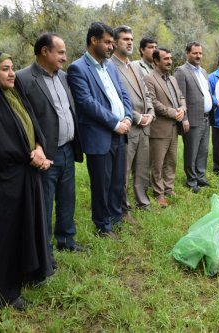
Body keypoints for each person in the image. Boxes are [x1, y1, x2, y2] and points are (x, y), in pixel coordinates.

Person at [0, 50, 53, 320]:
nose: (12, 73)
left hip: (23, 177)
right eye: (4, 69)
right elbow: (0, 147)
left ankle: (24, 275)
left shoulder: (13, 96)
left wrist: (38, 145)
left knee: (24, 229)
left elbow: (32, 124)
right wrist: (32, 158)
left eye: (13, 67)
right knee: (1, 239)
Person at [17, 33, 85, 257]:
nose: (65, 57)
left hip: (67, 149)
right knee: (44, 204)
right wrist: (35, 149)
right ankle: (44, 252)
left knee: (67, 198)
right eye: (61, 52)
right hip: (45, 154)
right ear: (44, 51)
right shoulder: (23, 79)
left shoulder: (63, 77)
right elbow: (22, 120)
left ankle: (66, 239)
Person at [67, 22, 133, 238]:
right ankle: (102, 226)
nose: (111, 47)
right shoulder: (78, 68)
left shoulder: (110, 66)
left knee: (117, 181)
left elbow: (123, 94)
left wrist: (128, 116)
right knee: (101, 184)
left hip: (120, 133)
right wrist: (116, 122)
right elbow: (87, 103)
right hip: (100, 135)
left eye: (112, 43)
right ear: (93, 40)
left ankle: (116, 218)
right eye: (106, 42)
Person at [111, 26, 155, 214]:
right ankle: (124, 208)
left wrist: (151, 112)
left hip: (145, 126)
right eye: (125, 39)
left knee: (142, 168)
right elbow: (116, 98)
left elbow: (146, 93)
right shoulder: (110, 66)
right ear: (114, 42)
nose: (129, 42)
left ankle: (142, 202)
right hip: (129, 126)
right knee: (124, 171)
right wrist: (137, 117)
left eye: (131, 39)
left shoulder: (135, 66)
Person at [144, 47, 186, 207]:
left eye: (170, 58)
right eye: (165, 59)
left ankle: (169, 189)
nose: (170, 61)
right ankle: (159, 193)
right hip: (159, 129)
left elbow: (181, 97)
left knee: (171, 161)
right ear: (156, 61)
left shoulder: (173, 78)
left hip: (174, 128)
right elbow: (152, 102)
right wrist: (172, 112)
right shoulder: (149, 78)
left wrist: (182, 109)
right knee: (158, 163)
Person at [175, 42, 213, 193]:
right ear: (187, 53)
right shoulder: (181, 71)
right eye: (195, 53)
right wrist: (184, 119)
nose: (198, 56)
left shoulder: (203, 71)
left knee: (203, 149)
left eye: (200, 53)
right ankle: (191, 181)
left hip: (205, 117)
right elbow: (180, 97)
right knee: (192, 150)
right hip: (192, 119)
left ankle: (200, 176)